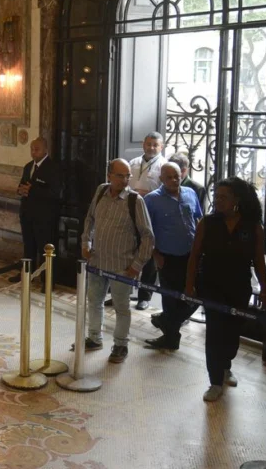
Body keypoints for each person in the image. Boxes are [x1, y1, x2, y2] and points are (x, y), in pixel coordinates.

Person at [186, 177, 266, 402]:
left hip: (239, 287)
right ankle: (214, 381)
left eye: (224, 197)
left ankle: (226, 366)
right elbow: (194, 256)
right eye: (217, 196)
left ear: (236, 200)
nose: (218, 200)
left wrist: (265, 290)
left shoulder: (253, 228)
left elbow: (259, 261)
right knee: (214, 332)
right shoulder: (207, 223)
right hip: (211, 286)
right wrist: (189, 285)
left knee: (232, 332)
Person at [80, 158, 155, 364]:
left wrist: (136, 265)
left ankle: (121, 345)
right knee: (94, 301)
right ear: (109, 176)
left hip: (122, 267)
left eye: (128, 175)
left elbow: (148, 236)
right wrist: (85, 241)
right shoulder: (101, 192)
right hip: (97, 262)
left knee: (122, 308)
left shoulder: (135, 201)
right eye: (120, 175)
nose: (125, 180)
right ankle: (94, 338)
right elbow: (90, 219)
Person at [143, 162, 203, 350]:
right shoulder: (151, 200)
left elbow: (198, 220)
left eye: (176, 176)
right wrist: (155, 254)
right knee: (170, 299)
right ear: (161, 179)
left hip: (192, 256)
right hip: (167, 257)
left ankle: (167, 321)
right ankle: (171, 338)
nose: (174, 180)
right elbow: (146, 230)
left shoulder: (190, 193)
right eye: (169, 177)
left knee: (196, 295)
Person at [10, 137, 62, 283]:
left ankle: (47, 281)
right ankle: (26, 275)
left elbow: (55, 193)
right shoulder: (28, 166)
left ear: (45, 149)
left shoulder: (53, 168)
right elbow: (21, 185)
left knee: (44, 249)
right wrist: (21, 190)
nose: (33, 152)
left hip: (44, 217)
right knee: (28, 247)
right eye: (32, 149)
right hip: (27, 214)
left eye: (37, 149)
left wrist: (33, 190)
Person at [126, 131, 165, 309]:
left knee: (148, 256)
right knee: (127, 252)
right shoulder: (133, 163)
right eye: (148, 144)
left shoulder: (165, 166)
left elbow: (165, 193)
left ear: (161, 147)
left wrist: (146, 195)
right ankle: (123, 292)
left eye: (155, 145)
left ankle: (145, 297)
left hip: (152, 216)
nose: (151, 148)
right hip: (130, 214)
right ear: (143, 144)